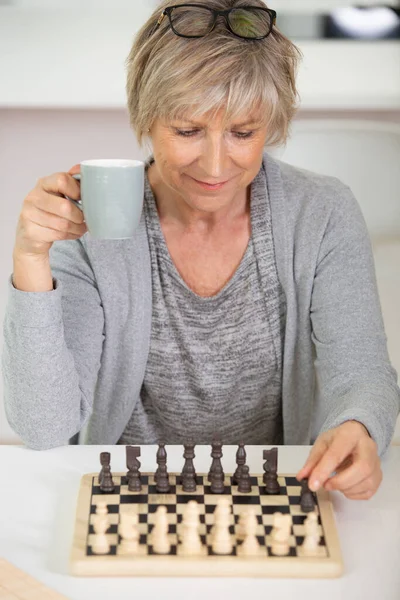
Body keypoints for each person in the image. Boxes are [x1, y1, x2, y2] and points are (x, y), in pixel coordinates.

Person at [2, 0, 400, 502]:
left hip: (273, 497)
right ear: (146, 119)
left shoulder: (322, 212)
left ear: (271, 128)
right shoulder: (94, 220)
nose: (215, 166)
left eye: (243, 133)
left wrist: (359, 426)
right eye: (188, 131)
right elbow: (44, 426)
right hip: (130, 499)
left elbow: (363, 372)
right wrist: (30, 260)